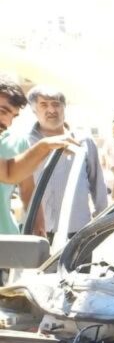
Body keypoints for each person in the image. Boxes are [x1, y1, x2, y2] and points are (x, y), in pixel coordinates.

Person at [26, 85, 108, 243]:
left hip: (78, 229)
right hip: (37, 231)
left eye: (56, 104)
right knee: (41, 269)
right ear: (34, 110)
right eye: (44, 104)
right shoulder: (25, 143)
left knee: (80, 269)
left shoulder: (83, 141)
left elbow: (97, 182)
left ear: (64, 107)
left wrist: (102, 219)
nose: (51, 110)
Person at [0, 76, 74, 236]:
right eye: (2, 111)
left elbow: (9, 173)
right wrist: (44, 146)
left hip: (6, 245)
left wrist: (45, 145)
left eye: (12, 116)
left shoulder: (16, 142)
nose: (6, 122)